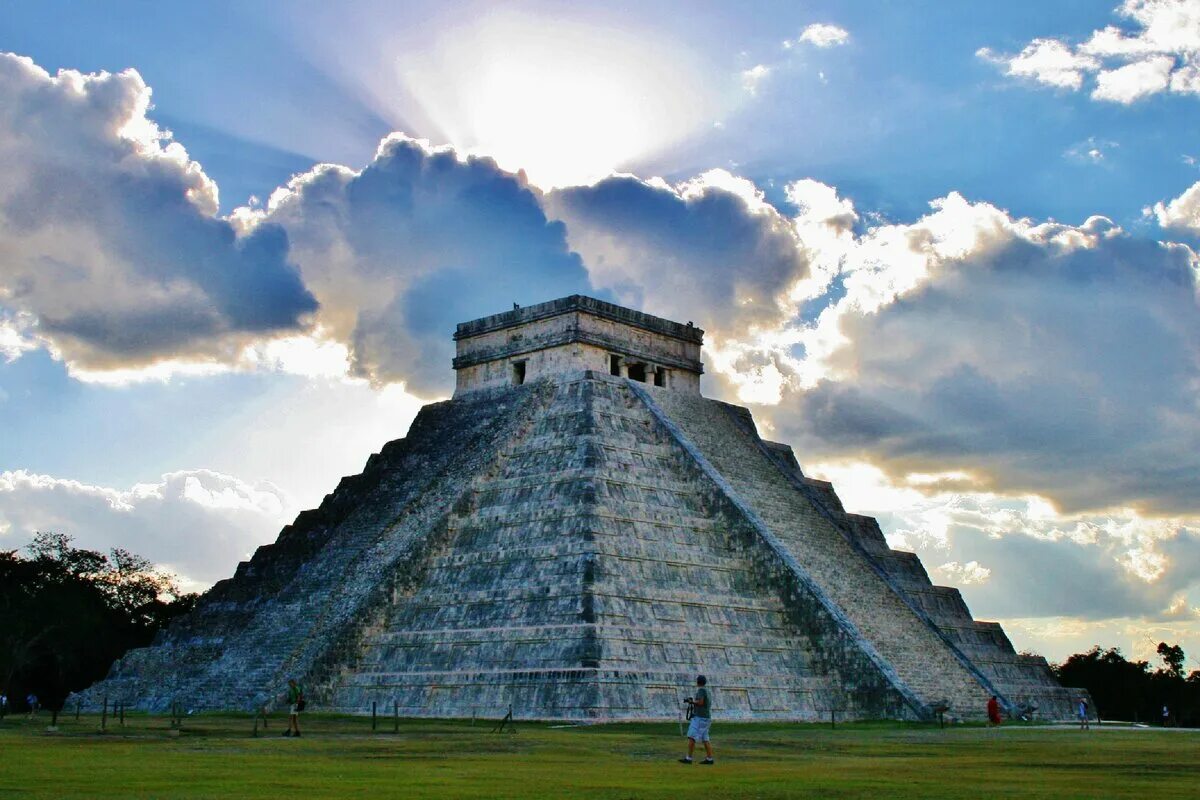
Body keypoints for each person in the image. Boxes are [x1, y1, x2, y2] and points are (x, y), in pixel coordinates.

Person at [679, 675, 714, 765]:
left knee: (692, 736)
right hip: (706, 717)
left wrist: (692, 702)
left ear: (697, 682)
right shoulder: (707, 691)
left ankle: (689, 758)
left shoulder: (701, 690)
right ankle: (709, 758)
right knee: (705, 738)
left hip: (700, 718)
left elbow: (701, 702)